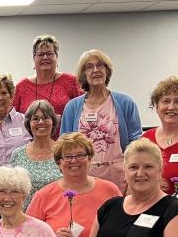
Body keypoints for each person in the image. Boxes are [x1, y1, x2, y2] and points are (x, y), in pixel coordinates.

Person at [61, 50, 143, 193]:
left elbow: (135, 143)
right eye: (89, 67)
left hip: (119, 177)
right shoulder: (72, 107)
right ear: (83, 74)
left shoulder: (125, 102)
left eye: (100, 65)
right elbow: (64, 147)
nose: (96, 70)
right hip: (83, 177)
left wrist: (133, 180)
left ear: (107, 70)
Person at [11, 35, 83, 129]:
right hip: (29, 142)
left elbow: (82, 113)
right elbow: (12, 119)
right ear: (34, 58)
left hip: (64, 141)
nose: (45, 57)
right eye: (40, 54)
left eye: (49, 54)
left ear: (56, 57)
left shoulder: (71, 82)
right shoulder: (21, 87)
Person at [10, 100, 62, 209]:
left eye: (46, 117)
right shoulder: (18, 154)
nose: (41, 122)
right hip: (25, 218)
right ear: (28, 124)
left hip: (57, 214)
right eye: (35, 119)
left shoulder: (63, 152)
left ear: (53, 121)